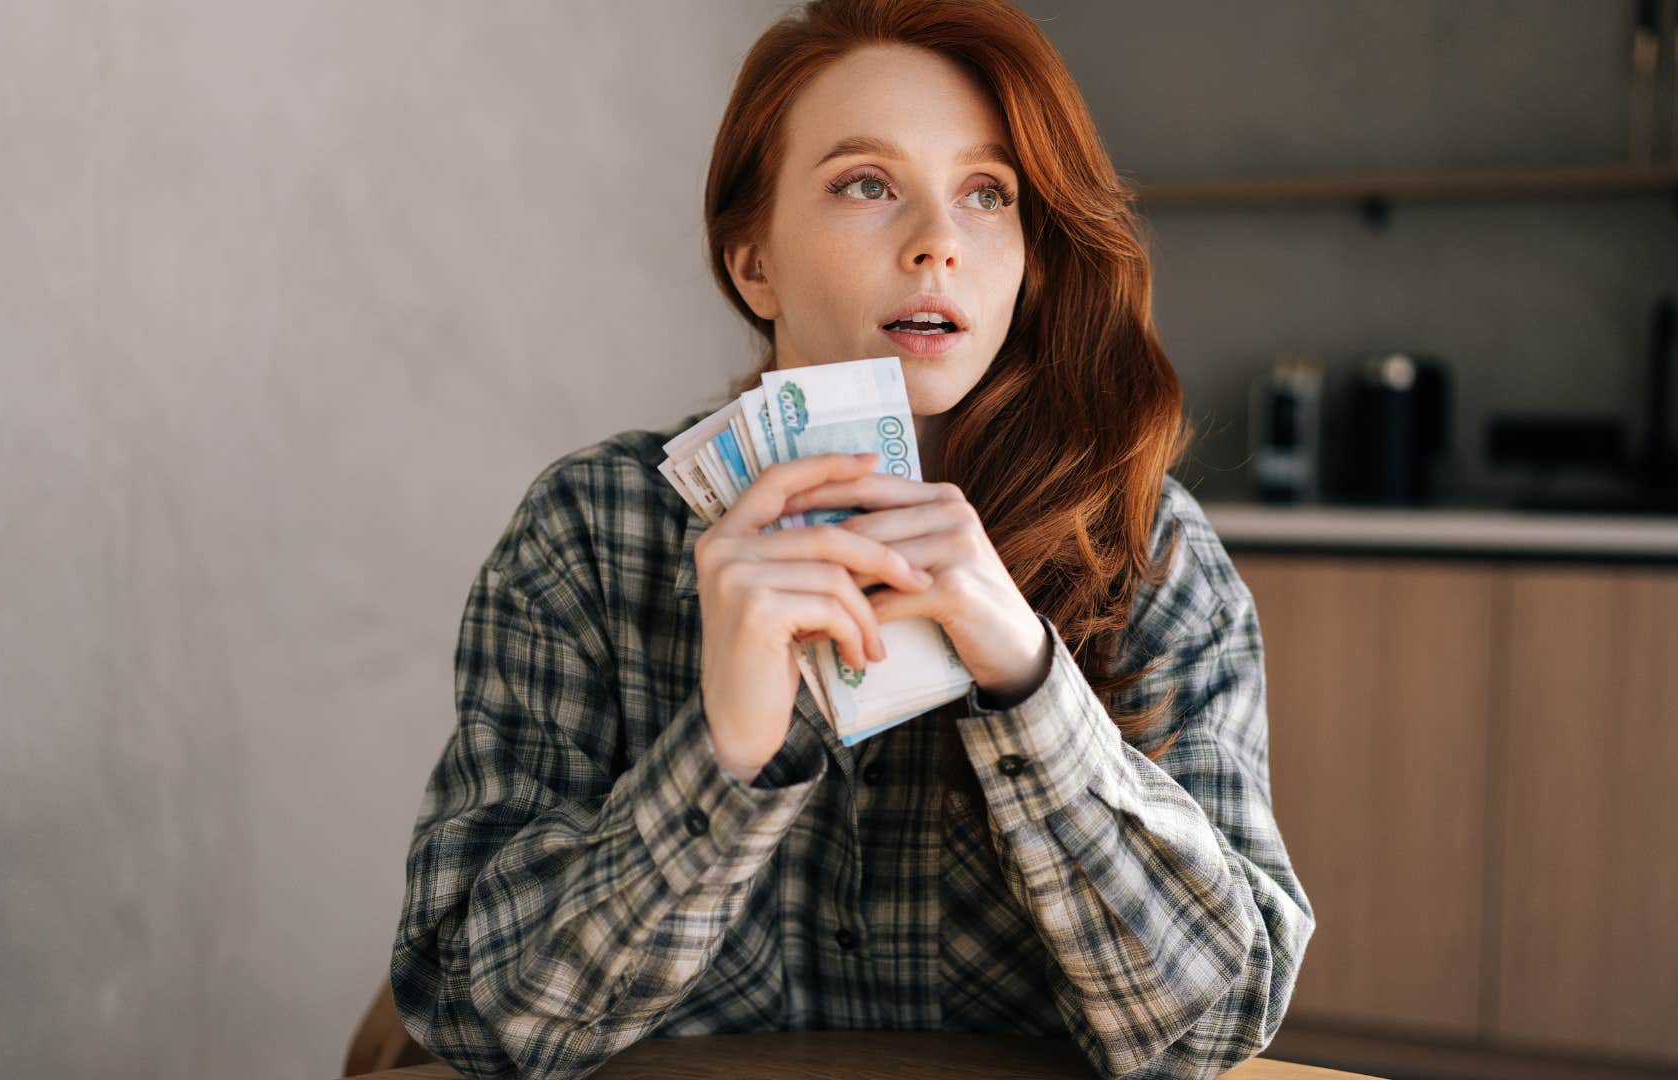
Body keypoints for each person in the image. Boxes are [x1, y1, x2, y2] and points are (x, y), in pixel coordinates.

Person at [389, 1, 1315, 1077]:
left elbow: (1214, 1028)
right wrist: (728, 755)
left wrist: (1025, 680)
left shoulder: (1148, 552)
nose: (937, 243)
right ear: (753, 264)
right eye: (866, 184)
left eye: (987, 194)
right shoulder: (589, 536)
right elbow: (475, 1021)